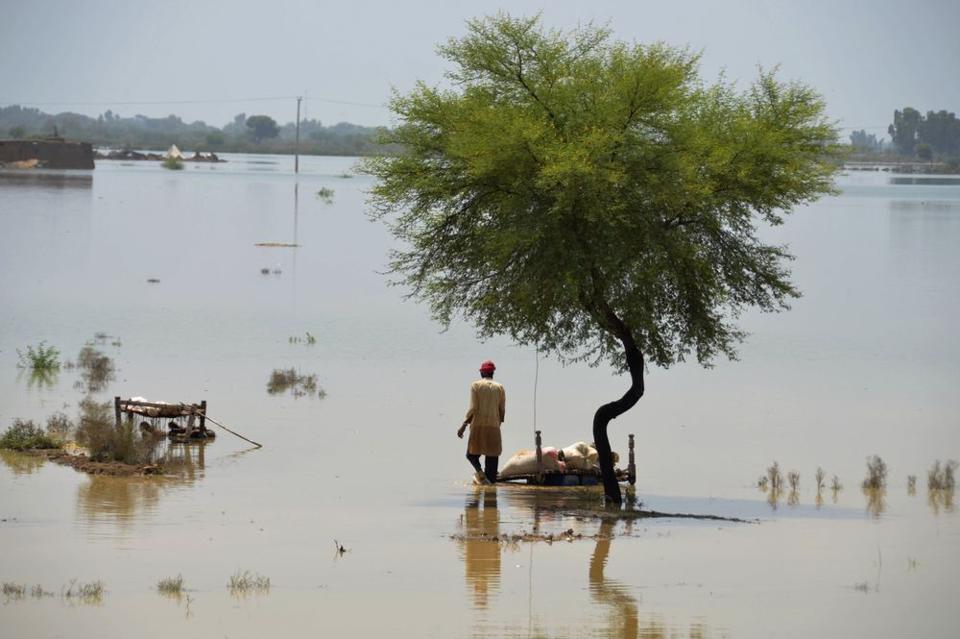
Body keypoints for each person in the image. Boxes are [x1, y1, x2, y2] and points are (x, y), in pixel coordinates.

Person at [458, 360, 506, 485]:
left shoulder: (476, 386)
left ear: (482, 373)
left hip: (478, 426)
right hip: (494, 426)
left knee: (471, 454)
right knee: (492, 460)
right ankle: (490, 497)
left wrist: (464, 425)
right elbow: (502, 410)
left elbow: (473, 408)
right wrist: (498, 423)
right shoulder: (499, 387)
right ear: (492, 373)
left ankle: (479, 473)